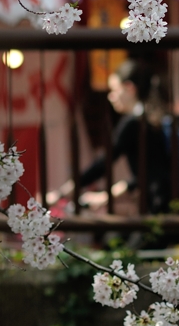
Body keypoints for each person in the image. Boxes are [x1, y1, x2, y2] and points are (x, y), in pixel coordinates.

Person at [50, 59, 171, 214]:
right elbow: (148, 172)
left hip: (158, 204)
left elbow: (105, 161)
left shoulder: (134, 123)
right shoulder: (155, 118)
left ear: (129, 88)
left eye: (114, 90)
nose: (111, 97)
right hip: (165, 200)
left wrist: (64, 191)